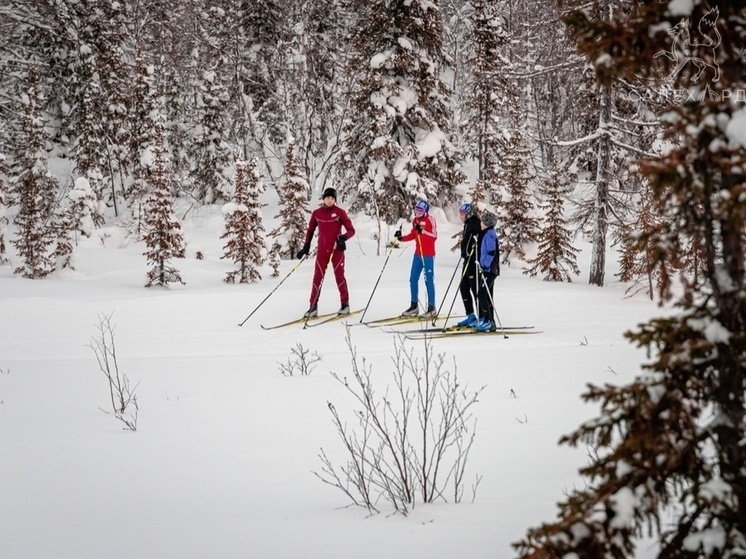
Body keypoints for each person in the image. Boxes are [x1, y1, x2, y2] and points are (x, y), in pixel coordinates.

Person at [296, 187, 355, 318]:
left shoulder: (340, 213)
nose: (330, 200)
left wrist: (343, 238)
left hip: (336, 250)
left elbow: (351, 230)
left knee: (339, 276)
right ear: (324, 199)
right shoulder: (317, 213)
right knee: (317, 278)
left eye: (332, 198)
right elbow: (310, 230)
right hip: (322, 251)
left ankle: (345, 305)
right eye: (328, 198)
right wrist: (306, 247)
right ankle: (313, 307)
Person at [394, 199, 438, 318]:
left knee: (429, 280)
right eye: (416, 211)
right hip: (418, 254)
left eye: (420, 212)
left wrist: (423, 231)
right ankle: (414, 305)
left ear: (425, 211)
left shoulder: (430, 220)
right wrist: (401, 238)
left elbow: (434, 236)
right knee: (413, 279)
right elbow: (413, 234)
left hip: (428, 255)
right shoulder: (415, 221)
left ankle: (432, 307)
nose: (417, 214)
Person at [455, 203, 482, 328]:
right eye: (460, 214)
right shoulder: (468, 224)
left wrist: (471, 249)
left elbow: (478, 235)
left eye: (462, 214)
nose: (460, 216)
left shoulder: (474, 223)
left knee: (475, 288)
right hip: (467, 259)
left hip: (473, 261)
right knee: (463, 287)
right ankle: (471, 315)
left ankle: (482, 316)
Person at [475, 210, 500, 332]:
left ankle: (487, 320)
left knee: (482, 294)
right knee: (487, 295)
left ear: (487, 223)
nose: (481, 223)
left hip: (490, 270)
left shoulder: (490, 234)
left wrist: (485, 265)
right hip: (488, 269)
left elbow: (491, 251)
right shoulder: (488, 233)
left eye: (482, 221)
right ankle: (490, 321)